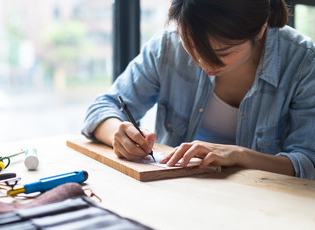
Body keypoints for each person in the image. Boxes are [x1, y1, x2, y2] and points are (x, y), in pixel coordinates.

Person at [82, 0, 315, 180]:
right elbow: (102, 109)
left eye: (223, 53)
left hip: (268, 204)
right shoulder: (167, 47)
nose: (204, 63)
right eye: (191, 46)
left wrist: (239, 156)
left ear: (260, 28)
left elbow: (307, 163)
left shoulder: (302, 61)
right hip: (179, 193)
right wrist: (120, 133)